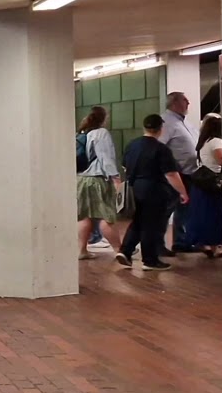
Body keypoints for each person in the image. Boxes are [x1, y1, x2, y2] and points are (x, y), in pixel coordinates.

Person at [117, 114, 189, 271]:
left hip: (135, 188)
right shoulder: (161, 149)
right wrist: (182, 191)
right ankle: (150, 260)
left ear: (144, 127)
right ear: (160, 129)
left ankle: (125, 251)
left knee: (138, 221)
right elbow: (171, 174)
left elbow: (124, 166)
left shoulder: (132, 145)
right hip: (154, 190)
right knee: (151, 225)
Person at [75, 106, 123, 260]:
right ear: (104, 118)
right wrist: (116, 178)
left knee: (84, 216)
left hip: (81, 179)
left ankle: (82, 250)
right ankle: (120, 250)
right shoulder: (101, 133)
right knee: (106, 216)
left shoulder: (82, 133)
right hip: (97, 179)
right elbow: (105, 158)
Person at [160, 91, 199, 253]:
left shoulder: (184, 122)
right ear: (174, 103)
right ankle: (158, 245)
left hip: (190, 173)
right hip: (175, 174)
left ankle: (181, 242)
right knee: (167, 209)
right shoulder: (166, 122)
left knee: (184, 209)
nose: (188, 102)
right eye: (184, 100)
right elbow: (159, 147)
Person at [188, 114, 222, 258]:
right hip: (214, 183)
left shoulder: (204, 142)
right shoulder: (217, 142)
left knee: (206, 215)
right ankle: (217, 245)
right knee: (217, 215)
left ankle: (208, 244)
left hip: (203, 183)